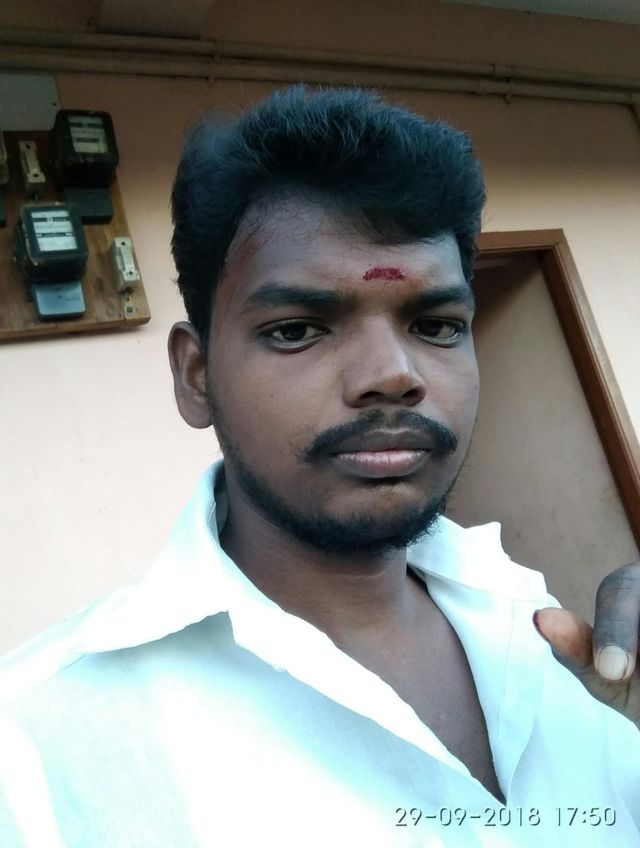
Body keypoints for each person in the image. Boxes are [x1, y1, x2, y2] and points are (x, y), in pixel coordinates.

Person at [1, 85, 639, 848]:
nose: (393, 374)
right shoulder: (36, 754)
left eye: (437, 325)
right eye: (298, 329)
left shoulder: (539, 629)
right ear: (197, 377)